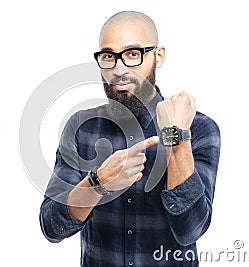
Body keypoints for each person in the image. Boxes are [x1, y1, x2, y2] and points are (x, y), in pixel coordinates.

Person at [39, 10, 220, 267]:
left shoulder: (199, 128)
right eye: (108, 56)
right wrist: (98, 183)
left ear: (158, 56)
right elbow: (52, 227)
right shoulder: (81, 127)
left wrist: (176, 137)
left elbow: (190, 229)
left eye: (133, 54)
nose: (118, 69)